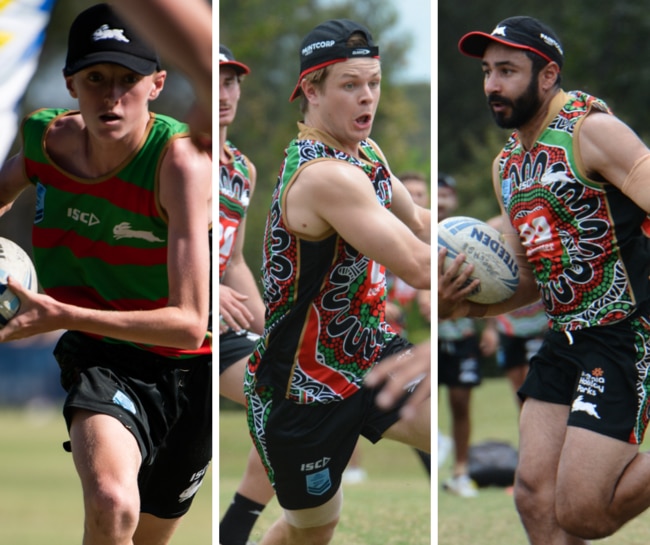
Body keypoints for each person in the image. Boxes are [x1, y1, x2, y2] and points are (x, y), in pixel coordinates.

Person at [0, 4, 212, 544]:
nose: (111, 95)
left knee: (147, 536)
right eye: (94, 78)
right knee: (114, 504)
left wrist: (58, 313)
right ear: (71, 83)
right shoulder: (41, 142)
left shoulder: (180, 163)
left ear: (157, 84)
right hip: (100, 354)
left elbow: (190, 323)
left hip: (190, 370)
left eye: (128, 79)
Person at [449, 15, 650, 542]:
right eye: (488, 71)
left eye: (508, 70)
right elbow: (530, 277)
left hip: (624, 331)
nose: (493, 84)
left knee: (584, 511)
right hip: (563, 337)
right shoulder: (507, 165)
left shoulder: (591, 130)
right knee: (534, 495)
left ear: (547, 75)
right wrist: (468, 305)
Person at [244, 19, 431, 545]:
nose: (366, 96)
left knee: (440, 421)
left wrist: (498, 241)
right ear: (310, 90)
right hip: (300, 391)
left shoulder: (366, 154)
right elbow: (419, 266)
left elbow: (420, 222)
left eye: (373, 82)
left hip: (372, 355)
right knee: (311, 532)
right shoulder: (325, 175)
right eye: (350, 85)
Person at [217, 43, 276, 545]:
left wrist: (273, 327)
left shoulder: (242, 169)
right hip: (166, 312)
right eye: (212, 79)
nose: (223, 92)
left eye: (231, 80)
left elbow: (233, 261)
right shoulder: (169, 150)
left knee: (293, 398)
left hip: (219, 327)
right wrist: (205, 291)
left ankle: (233, 532)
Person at [436, 172, 481, 498]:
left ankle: (461, 472)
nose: (439, 201)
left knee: (460, 403)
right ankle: (432, 466)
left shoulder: (474, 238)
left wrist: (493, 327)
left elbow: (493, 286)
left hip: (462, 333)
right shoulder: (414, 234)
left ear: (454, 199)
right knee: (421, 404)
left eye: (445, 194)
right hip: (427, 338)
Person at [479, 216, 548, 410]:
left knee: (532, 385)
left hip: (539, 325)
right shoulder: (491, 228)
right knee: (518, 390)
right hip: (508, 326)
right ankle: (527, 437)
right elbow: (488, 286)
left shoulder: (534, 221)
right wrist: (491, 329)